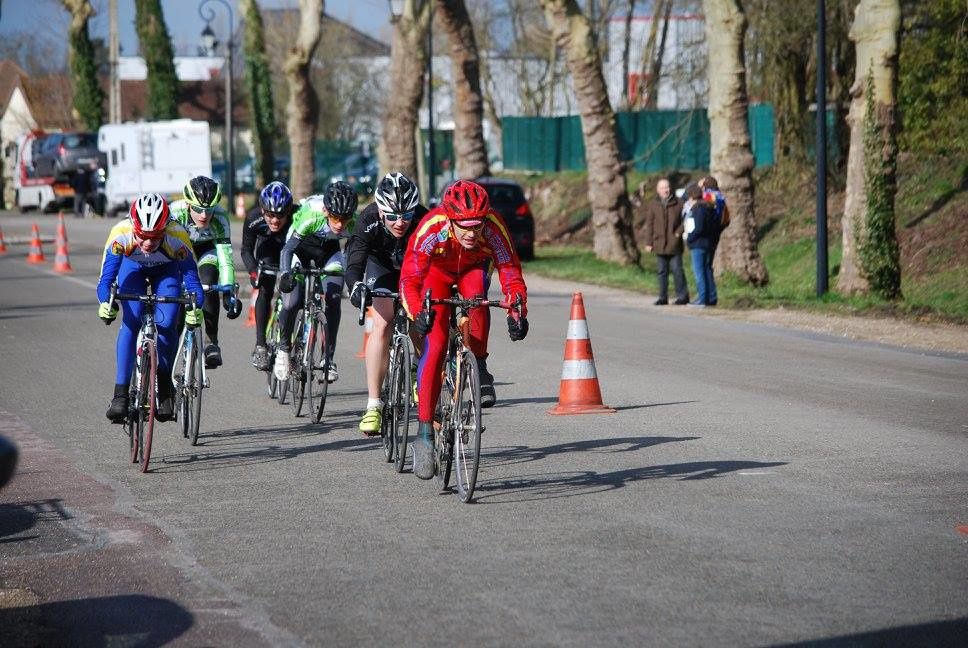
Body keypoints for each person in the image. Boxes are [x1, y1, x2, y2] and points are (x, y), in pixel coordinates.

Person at [399, 179, 529, 480]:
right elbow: (409, 279)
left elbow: (510, 274)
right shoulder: (431, 226)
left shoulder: (493, 227)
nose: (472, 233)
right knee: (435, 345)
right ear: (451, 219)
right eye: (465, 226)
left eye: (477, 226)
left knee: (478, 300)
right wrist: (419, 314)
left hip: (473, 268)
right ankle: (425, 433)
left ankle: (479, 364)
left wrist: (517, 312)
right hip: (437, 273)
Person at [97, 193, 204, 423]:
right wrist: (106, 303)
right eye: (143, 236)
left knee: (167, 323)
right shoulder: (121, 233)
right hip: (132, 269)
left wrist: (197, 307)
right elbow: (106, 280)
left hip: (166, 271)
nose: (148, 243)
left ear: (165, 230)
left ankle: (164, 387)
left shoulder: (177, 235)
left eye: (155, 237)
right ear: (134, 227)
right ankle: (121, 395)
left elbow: (192, 280)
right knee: (132, 320)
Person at [345, 172, 427, 436]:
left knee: (420, 318)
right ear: (381, 210)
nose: (400, 222)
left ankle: (418, 371)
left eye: (406, 215)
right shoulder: (368, 219)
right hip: (381, 267)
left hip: (414, 268)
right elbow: (355, 261)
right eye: (392, 216)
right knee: (381, 323)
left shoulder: (424, 219)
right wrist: (356, 286)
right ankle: (373, 405)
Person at [273, 181, 356, 383]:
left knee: (334, 299)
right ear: (327, 211)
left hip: (329, 253)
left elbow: (357, 254)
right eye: (335, 218)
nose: (340, 224)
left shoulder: (353, 224)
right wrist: (285, 274)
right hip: (299, 250)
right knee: (292, 302)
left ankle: (328, 359)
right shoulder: (312, 215)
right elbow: (288, 250)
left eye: (345, 219)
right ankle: (284, 349)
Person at [169, 176, 238, 368]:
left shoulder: (221, 218)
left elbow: (225, 257)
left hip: (207, 249)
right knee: (177, 289)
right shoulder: (175, 213)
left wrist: (228, 291)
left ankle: (211, 342)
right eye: (198, 209)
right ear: (188, 204)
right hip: (180, 249)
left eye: (209, 209)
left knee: (208, 281)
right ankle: (173, 340)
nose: (204, 215)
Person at [242, 181, 295, 371]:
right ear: (262, 210)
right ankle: (261, 345)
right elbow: (246, 251)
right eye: (270, 215)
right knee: (264, 289)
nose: (274, 221)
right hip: (267, 252)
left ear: (289, 211)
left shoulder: (297, 215)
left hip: (290, 251)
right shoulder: (253, 218)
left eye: (280, 215)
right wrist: (253, 270)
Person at [642, 178, 689, 306]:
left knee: (677, 270)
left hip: (674, 244)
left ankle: (683, 296)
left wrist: (678, 233)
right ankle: (663, 297)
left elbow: (686, 220)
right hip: (659, 243)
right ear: (658, 190)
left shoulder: (679, 203)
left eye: (667, 187)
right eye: (662, 188)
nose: (665, 190)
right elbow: (650, 224)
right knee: (662, 271)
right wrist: (648, 242)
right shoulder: (653, 205)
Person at [682, 183, 717, 307]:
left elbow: (698, 228)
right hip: (707, 243)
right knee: (707, 271)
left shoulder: (698, 209)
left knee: (699, 272)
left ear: (691, 197)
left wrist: (689, 238)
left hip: (698, 244)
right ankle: (711, 297)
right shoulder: (708, 207)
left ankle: (702, 299)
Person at [698, 176, 730, 307]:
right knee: (708, 265)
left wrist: (699, 189)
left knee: (704, 266)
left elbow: (694, 200)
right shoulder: (721, 196)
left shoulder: (708, 196)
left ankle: (707, 296)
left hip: (708, 234)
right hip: (716, 233)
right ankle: (711, 296)